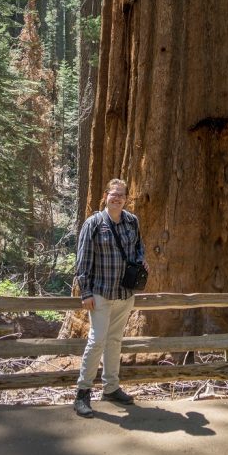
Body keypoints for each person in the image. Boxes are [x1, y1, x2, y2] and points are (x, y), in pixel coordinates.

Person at [74, 177, 148, 418]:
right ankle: (83, 392)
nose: (117, 198)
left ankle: (111, 388)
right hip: (101, 293)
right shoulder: (94, 224)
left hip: (125, 294)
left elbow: (139, 248)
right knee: (96, 341)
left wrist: (140, 262)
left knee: (115, 341)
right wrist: (85, 291)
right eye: (113, 194)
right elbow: (83, 259)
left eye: (122, 195)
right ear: (105, 196)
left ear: (126, 198)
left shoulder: (131, 221)